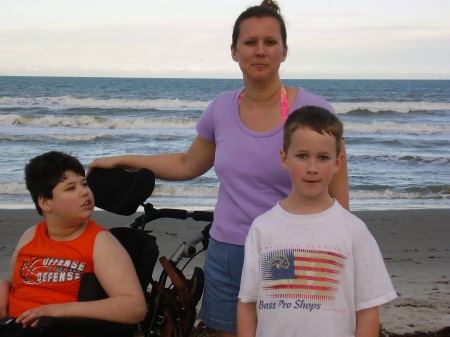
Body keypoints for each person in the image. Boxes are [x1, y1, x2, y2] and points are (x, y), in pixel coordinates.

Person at [88, 1, 349, 335]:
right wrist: (122, 159)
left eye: (270, 42)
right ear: (234, 51)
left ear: (284, 51)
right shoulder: (222, 107)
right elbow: (187, 163)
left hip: (284, 251)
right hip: (226, 249)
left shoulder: (312, 109)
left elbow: (338, 194)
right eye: (250, 43)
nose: (260, 51)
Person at [237, 106, 397, 337]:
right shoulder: (263, 228)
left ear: (338, 162)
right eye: (302, 156)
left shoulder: (353, 230)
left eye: (323, 158)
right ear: (284, 158)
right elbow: (247, 304)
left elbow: (368, 310)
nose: (312, 168)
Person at [0, 151, 147, 336]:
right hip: (13, 325)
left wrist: (56, 310)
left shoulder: (100, 242)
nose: (84, 191)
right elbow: (17, 281)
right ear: (45, 202)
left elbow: (135, 307)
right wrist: (4, 287)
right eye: (71, 188)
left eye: (84, 184)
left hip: (56, 328)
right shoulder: (30, 236)